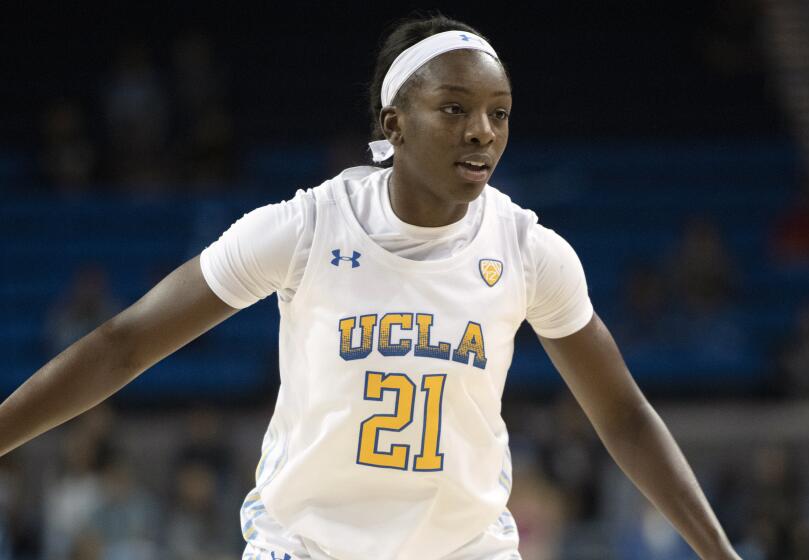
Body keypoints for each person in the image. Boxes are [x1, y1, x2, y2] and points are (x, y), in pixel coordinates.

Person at [0, 14, 742, 560]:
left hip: (465, 549)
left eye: (498, 113)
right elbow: (123, 344)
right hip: (307, 544)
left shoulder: (528, 250)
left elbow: (623, 413)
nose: (482, 130)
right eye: (455, 108)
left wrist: (719, 553)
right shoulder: (304, 228)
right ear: (395, 121)